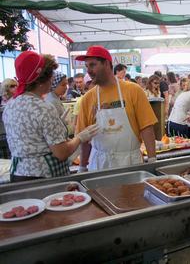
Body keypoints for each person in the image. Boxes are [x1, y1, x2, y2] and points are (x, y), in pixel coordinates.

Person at [2, 51, 99, 182]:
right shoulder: (43, 108)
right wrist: (80, 137)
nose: (53, 79)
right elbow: (61, 153)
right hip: (43, 177)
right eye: (51, 76)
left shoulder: (10, 105)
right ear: (43, 80)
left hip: (18, 172)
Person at [75, 45, 157, 172]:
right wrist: (82, 166)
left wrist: (152, 161)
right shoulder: (88, 98)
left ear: (107, 64)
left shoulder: (133, 90)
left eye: (92, 65)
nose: (89, 71)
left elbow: (146, 128)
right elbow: (84, 138)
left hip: (130, 163)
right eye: (87, 66)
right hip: (99, 164)